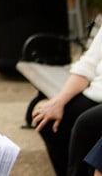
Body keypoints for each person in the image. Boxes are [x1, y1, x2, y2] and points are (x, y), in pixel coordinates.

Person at [32, 27, 102, 176]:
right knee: (46, 121)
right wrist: (58, 102)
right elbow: (87, 66)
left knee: (86, 125)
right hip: (96, 92)